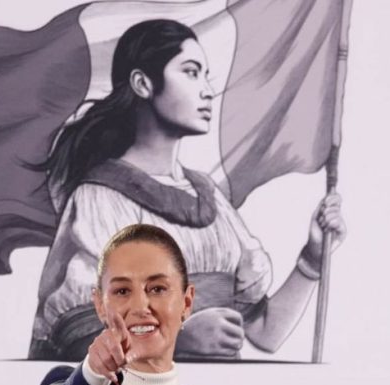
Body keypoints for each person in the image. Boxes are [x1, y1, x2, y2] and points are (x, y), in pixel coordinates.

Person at [29, 19, 346, 360]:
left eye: (205, 74)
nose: (208, 90)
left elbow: (264, 333)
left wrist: (312, 258)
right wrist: (174, 342)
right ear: (142, 83)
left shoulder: (209, 198)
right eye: (191, 72)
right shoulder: (100, 199)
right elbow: (77, 341)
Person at [43, 224, 194, 385]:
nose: (140, 307)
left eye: (157, 289)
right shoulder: (69, 380)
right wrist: (91, 374)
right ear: (100, 304)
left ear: (186, 303)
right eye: (122, 291)